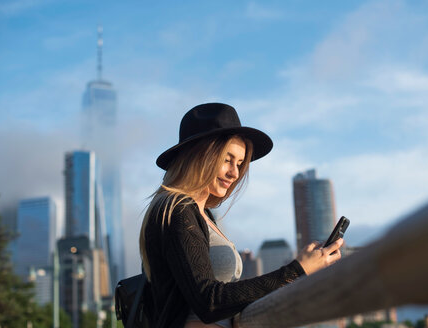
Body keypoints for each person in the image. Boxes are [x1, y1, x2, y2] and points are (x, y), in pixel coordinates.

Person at [139, 103, 344, 328]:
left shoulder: (203, 214)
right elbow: (209, 301)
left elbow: (221, 296)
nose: (235, 173)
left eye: (239, 163)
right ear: (201, 154)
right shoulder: (176, 208)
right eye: (227, 160)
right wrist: (296, 270)